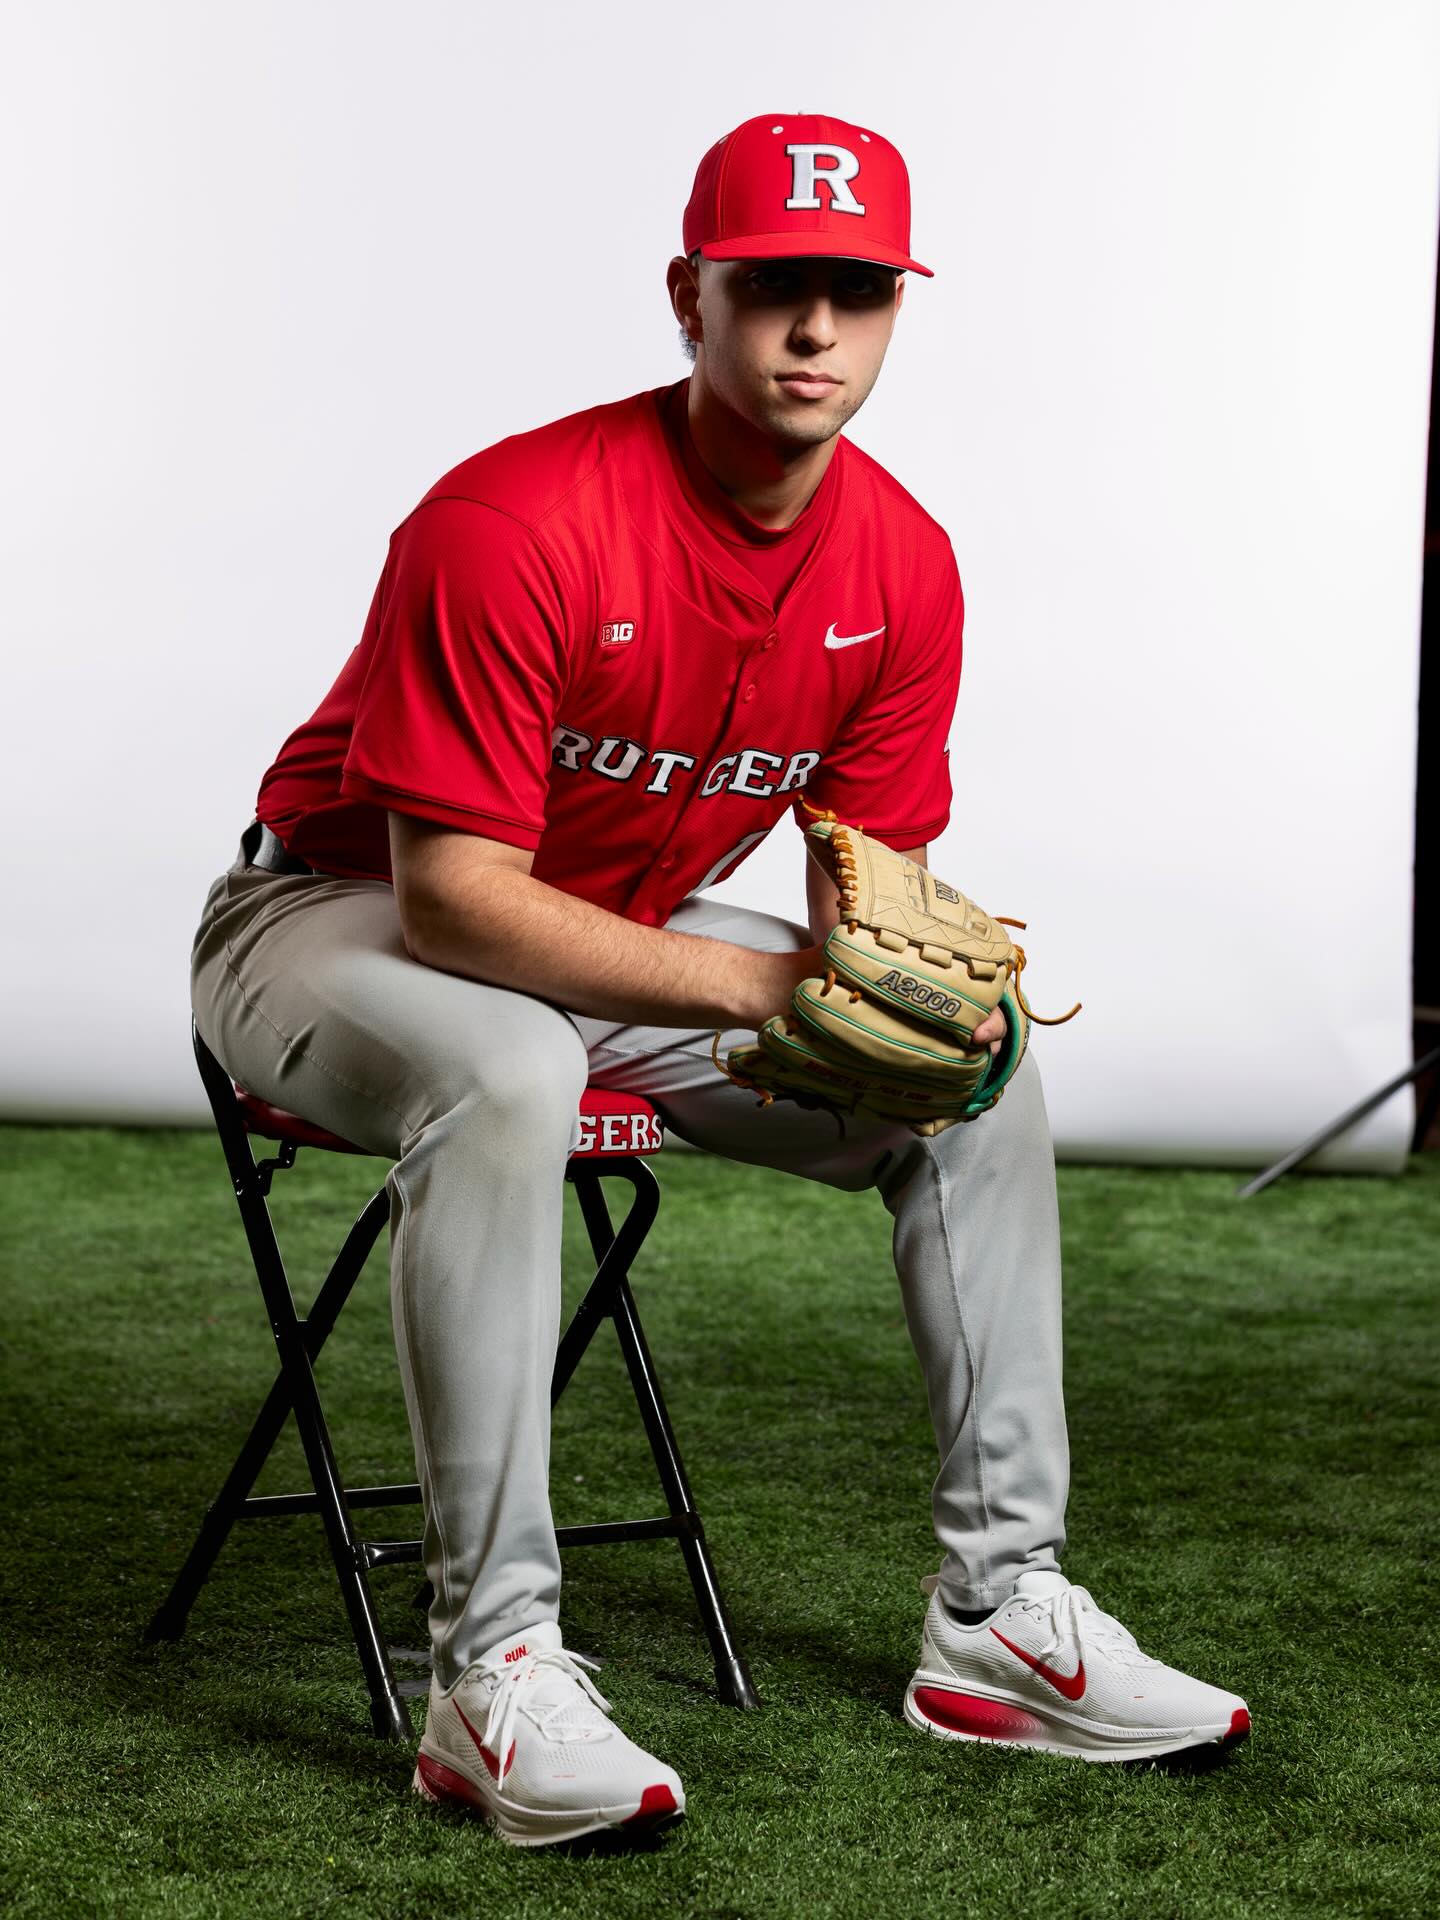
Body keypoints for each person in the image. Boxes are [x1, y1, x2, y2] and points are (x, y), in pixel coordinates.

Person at [189, 111, 1249, 1849]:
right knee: (512, 1068)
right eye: (773, 288)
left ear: (896, 311)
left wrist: (899, 990)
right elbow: (454, 904)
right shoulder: (513, 520)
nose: (816, 329)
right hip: (334, 917)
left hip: (606, 932)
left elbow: (865, 892)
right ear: (691, 296)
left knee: (974, 1073)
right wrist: (760, 996)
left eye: (859, 292)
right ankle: (490, 1672)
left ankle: (1001, 1615)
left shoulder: (902, 562)